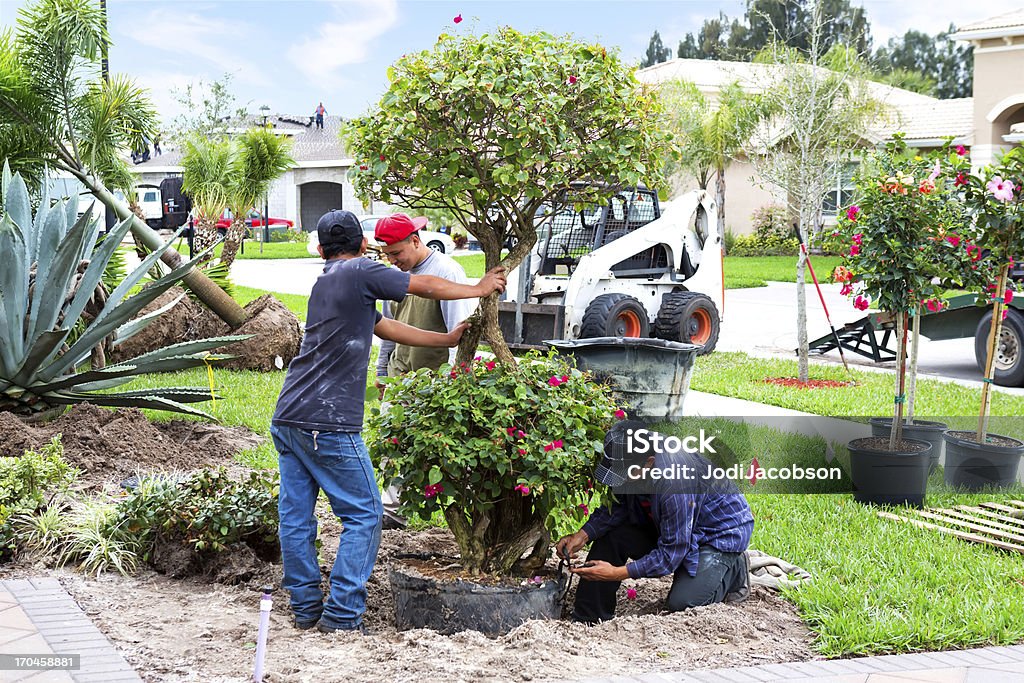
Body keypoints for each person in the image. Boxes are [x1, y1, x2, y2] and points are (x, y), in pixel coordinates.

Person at [271, 209, 506, 634]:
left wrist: (446, 340)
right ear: (364, 246)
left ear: (322, 249)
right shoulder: (360, 270)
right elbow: (426, 284)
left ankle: (306, 609)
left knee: (296, 517)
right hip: (328, 421)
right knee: (365, 513)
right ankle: (342, 616)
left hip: (289, 415)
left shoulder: (326, 280)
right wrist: (478, 286)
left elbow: (384, 326)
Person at [555, 421, 754, 624]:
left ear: (649, 463)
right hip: (674, 524)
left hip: (718, 532)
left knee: (682, 603)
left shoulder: (675, 482)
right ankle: (589, 617)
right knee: (612, 536)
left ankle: (734, 568)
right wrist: (582, 535)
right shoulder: (629, 453)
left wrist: (615, 573)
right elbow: (618, 507)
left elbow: (672, 553)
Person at [372, 213, 476, 528]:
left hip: (436, 381)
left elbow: (462, 335)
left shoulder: (447, 272)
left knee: (443, 453)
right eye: (387, 255)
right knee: (394, 445)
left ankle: (463, 512)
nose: (393, 260)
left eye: (397, 253)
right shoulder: (394, 277)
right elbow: (388, 328)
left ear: (415, 241)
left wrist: (455, 382)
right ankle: (392, 514)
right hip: (401, 376)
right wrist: (382, 371)